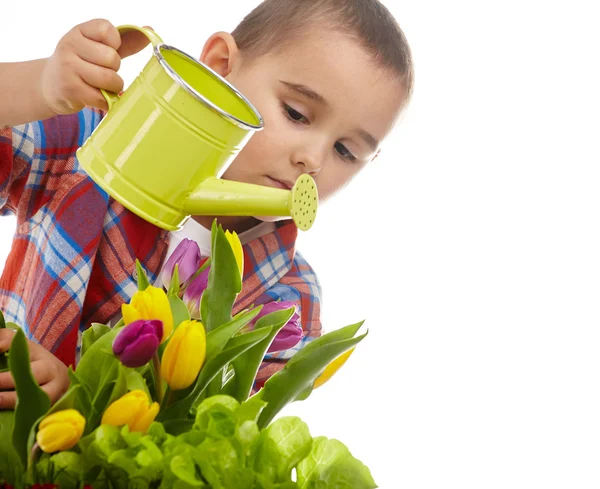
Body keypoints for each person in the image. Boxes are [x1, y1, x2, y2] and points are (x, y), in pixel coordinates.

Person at [0, 0, 413, 408]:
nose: (314, 160)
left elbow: (206, 440)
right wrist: (40, 86)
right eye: (297, 113)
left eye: (345, 150)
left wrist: (77, 398)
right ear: (220, 67)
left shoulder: (287, 304)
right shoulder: (99, 145)